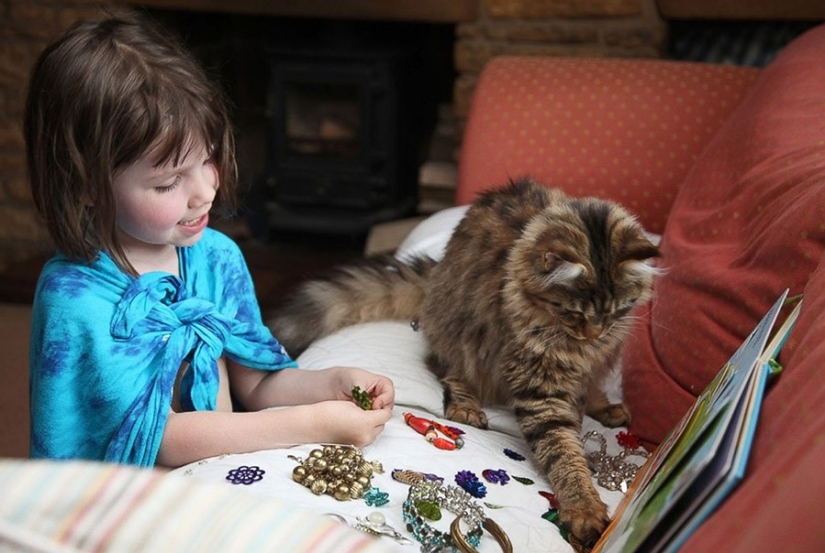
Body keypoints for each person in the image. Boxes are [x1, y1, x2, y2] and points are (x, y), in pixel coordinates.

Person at [24, 11, 394, 468]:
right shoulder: (77, 300)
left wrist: (333, 383)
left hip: (216, 481)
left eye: (209, 159)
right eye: (168, 182)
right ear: (84, 183)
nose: (204, 193)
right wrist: (312, 424)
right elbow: (159, 440)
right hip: (129, 510)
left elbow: (256, 385)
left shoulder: (216, 258)